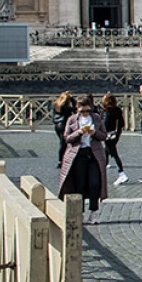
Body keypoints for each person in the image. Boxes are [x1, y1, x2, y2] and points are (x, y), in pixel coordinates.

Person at [58, 95, 109, 224]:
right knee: (79, 185)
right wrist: (79, 132)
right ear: (77, 109)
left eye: (87, 111)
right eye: (82, 111)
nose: (85, 113)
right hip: (78, 154)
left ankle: (94, 211)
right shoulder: (72, 119)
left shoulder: (96, 118)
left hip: (94, 154)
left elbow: (104, 135)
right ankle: (79, 212)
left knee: (94, 183)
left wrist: (94, 133)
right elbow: (67, 138)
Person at [100, 93, 128, 186]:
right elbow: (122, 123)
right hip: (115, 134)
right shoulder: (118, 110)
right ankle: (101, 173)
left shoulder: (106, 111)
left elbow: (105, 123)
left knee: (114, 154)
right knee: (106, 152)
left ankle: (121, 173)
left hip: (108, 135)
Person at [52, 91, 77, 168]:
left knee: (62, 143)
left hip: (57, 125)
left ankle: (61, 160)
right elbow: (75, 109)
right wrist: (73, 99)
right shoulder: (66, 107)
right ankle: (62, 161)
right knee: (64, 144)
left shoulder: (56, 105)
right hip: (64, 125)